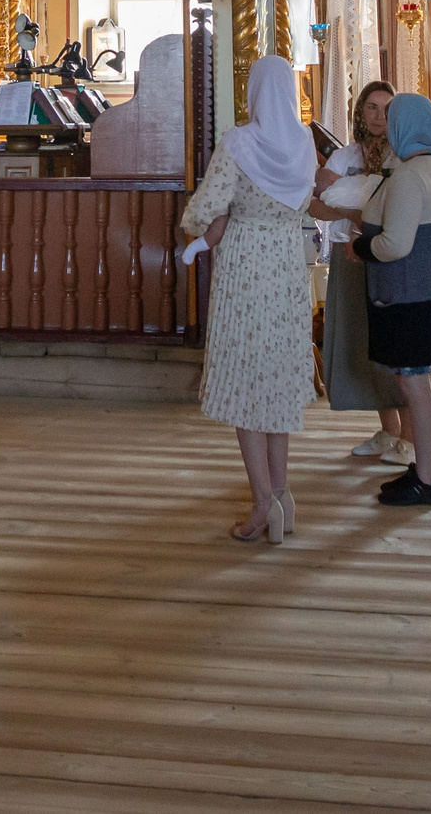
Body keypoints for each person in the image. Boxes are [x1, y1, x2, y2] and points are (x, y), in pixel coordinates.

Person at [179, 55, 318, 544]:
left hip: (244, 269)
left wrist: (194, 230)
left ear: (256, 92)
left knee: (244, 384)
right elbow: (305, 202)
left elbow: (210, 205)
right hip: (285, 267)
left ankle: (262, 503)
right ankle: (282, 495)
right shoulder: (304, 145)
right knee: (276, 384)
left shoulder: (239, 144)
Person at [357, 93, 431, 507]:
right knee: (422, 386)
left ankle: (426, 479)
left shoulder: (409, 176)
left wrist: (360, 248)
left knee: (415, 387)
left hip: (411, 299)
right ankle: (424, 472)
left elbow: (395, 244)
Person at [309, 80, 411, 466]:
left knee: (395, 346)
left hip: (389, 257)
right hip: (347, 256)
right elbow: (315, 206)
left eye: (386, 108)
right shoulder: (343, 157)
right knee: (362, 345)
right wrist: (358, 210)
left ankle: (410, 438)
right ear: (360, 113)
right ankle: (389, 430)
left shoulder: (403, 156)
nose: (378, 115)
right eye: (371, 107)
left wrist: (353, 204)